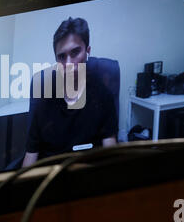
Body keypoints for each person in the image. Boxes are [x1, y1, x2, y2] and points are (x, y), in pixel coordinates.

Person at [22, 17, 118, 167]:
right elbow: (31, 154)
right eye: (62, 56)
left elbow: (110, 146)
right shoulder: (44, 99)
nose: (68, 64)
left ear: (87, 52)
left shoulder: (103, 95)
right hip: (51, 178)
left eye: (75, 52)